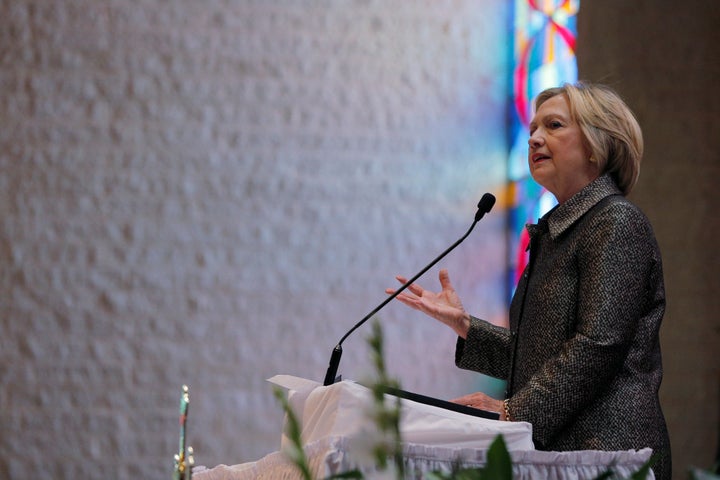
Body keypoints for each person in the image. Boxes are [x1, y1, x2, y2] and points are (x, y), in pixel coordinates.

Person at [387, 83, 671, 479]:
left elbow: (598, 346)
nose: (534, 137)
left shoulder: (616, 222)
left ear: (596, 144)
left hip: (606, 453)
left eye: (554, 125)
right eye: (534, 128)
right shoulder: (561, 233)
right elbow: (542, 357)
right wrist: (466, 327)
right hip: (559, 452)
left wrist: (511, 413)